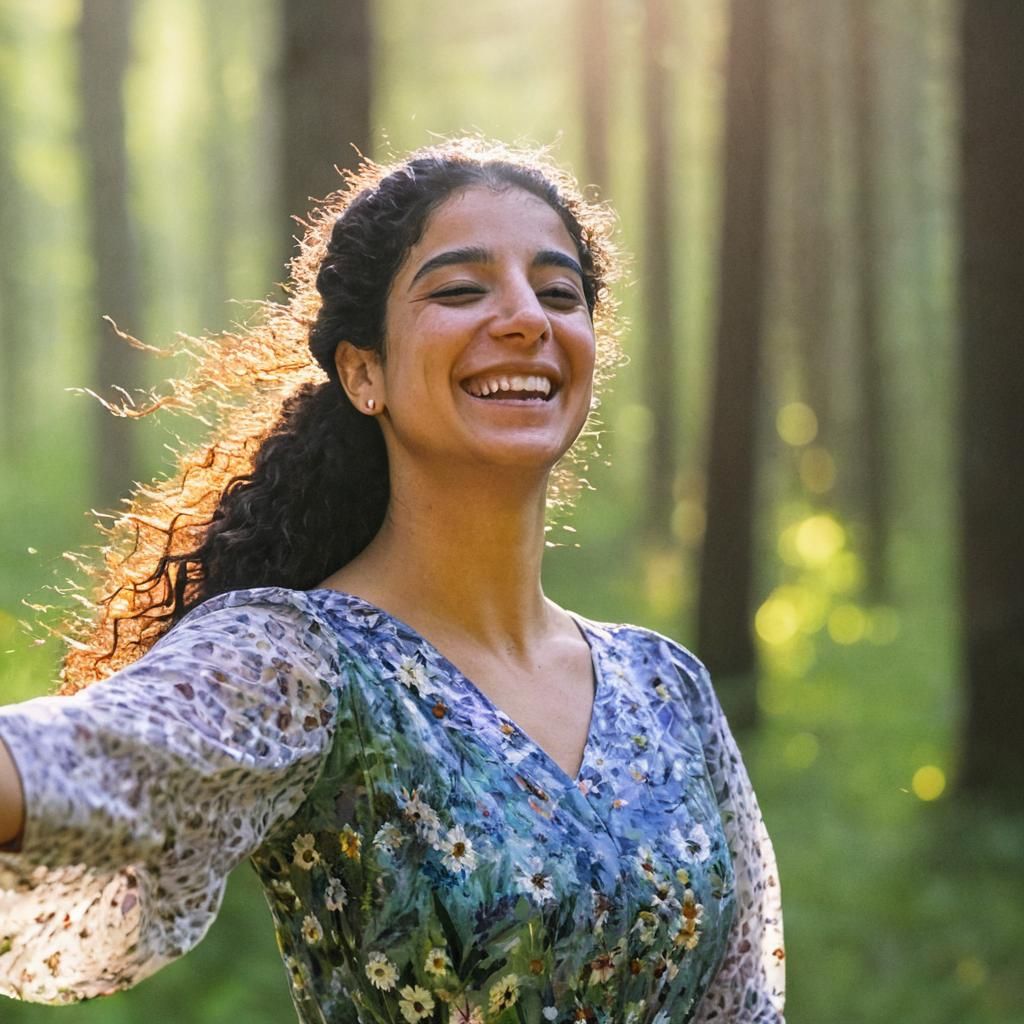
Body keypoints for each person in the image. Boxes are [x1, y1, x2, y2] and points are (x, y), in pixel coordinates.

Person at [0, 139, 784, 1023]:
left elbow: (743, 1004)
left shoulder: (667, 688)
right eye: (460, 289)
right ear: (363, 371)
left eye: (559, 292)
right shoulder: (299, 661)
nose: (527, 317)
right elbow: (78, 758)